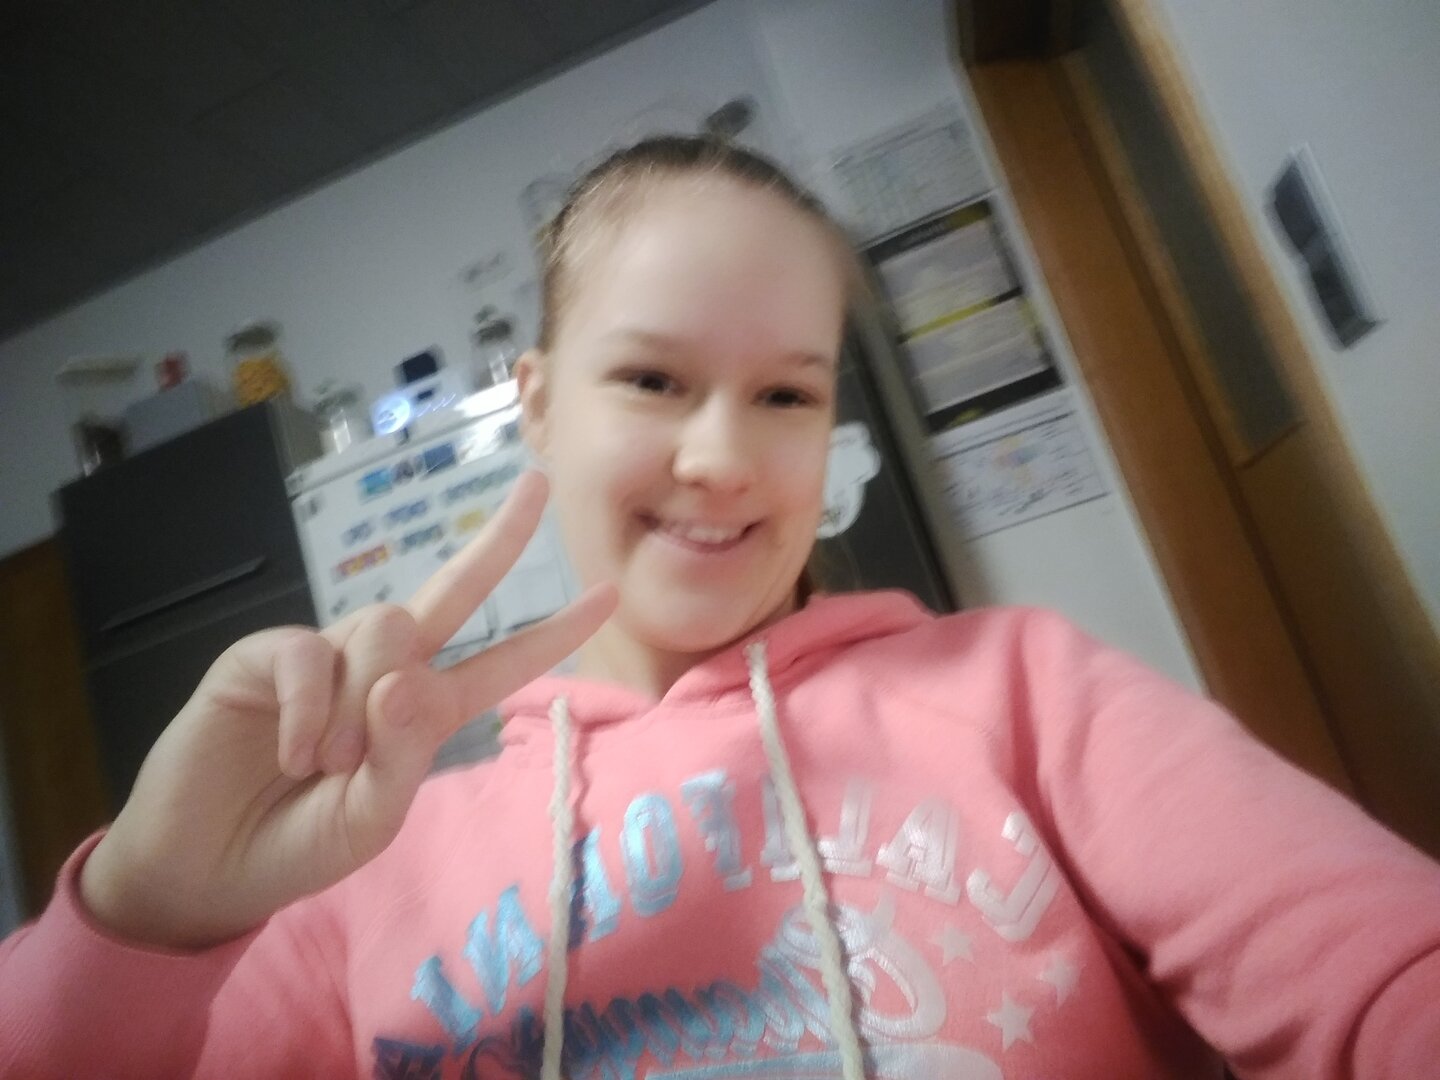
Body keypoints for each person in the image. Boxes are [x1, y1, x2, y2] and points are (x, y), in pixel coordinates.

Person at [2, 136, 1438, 1080]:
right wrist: (147, 913)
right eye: (654, 379)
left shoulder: (1023, 690)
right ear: (539, 405)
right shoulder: (359, 864)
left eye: (786, 395)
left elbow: (1386, 976)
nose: (724, 457)